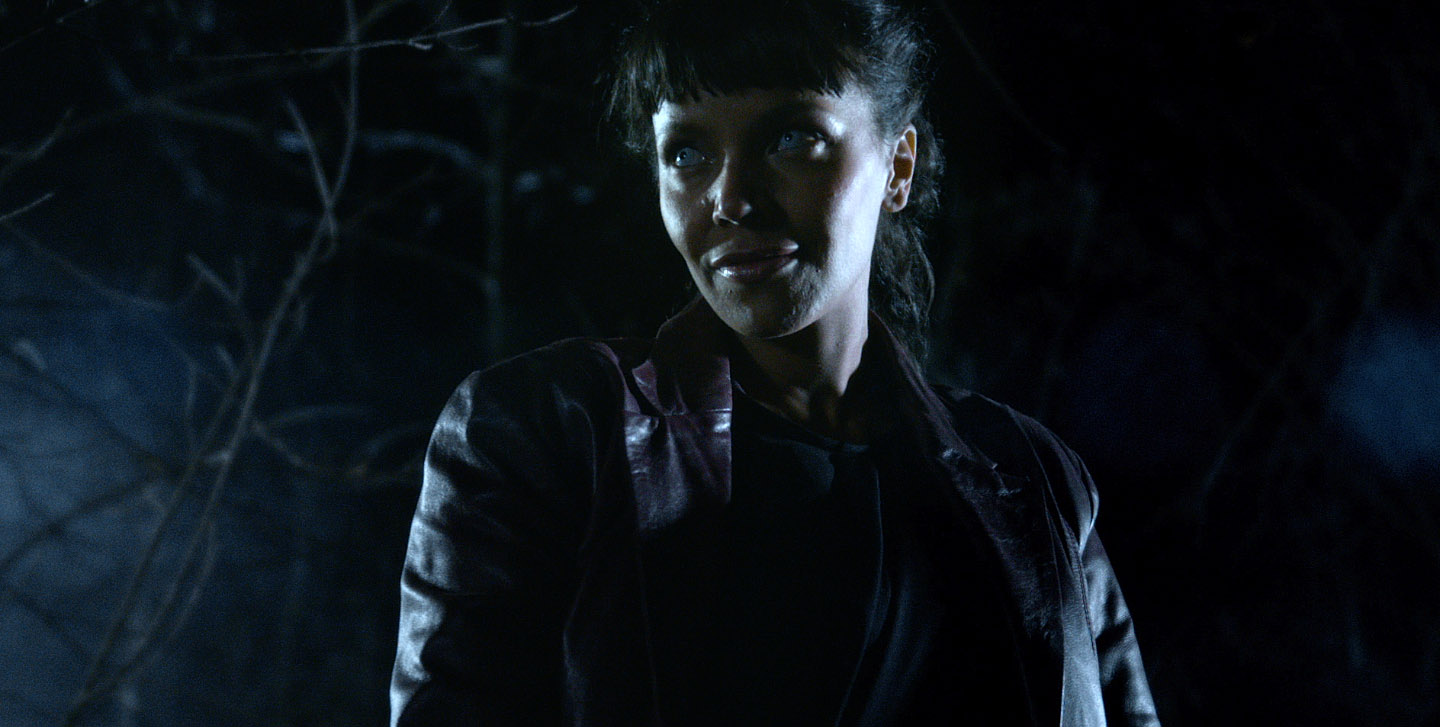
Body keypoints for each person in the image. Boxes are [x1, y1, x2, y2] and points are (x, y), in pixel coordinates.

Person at [390, 0, 1160, 724]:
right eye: (687, 153)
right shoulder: (546, 436)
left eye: (793, 138)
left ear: (898, 166)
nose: (731, 198)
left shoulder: (1034, 479)